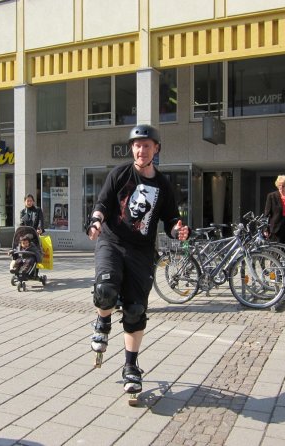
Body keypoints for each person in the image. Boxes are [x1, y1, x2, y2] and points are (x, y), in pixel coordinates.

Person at [86, 124, 190, 395]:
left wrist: (177, 229)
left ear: (156, 149)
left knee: (135, 310)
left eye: (146, 145)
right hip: (111, 241)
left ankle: (131, 366)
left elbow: (169, 220)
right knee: (105, 290)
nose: (141, 150)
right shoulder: (120, 173)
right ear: (132, 148)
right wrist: (96, 222)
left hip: (141, 252)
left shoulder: (164, 185)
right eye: (136, 145)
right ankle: (103, 320)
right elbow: (103, 204)